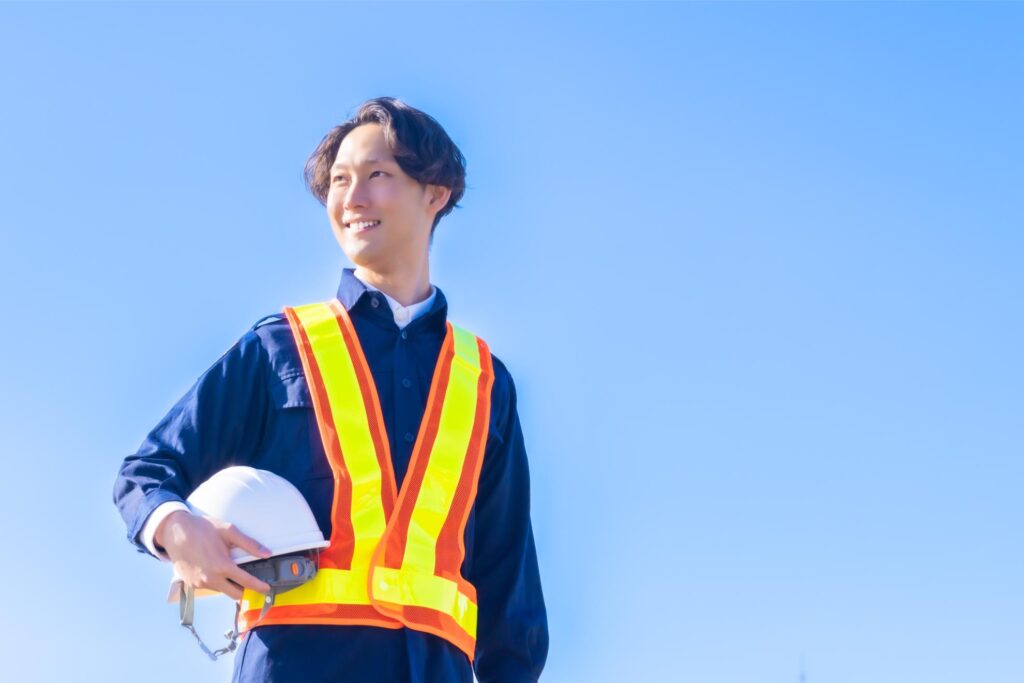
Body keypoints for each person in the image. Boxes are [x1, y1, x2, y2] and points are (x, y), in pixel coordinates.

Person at [112, 96, 549, 683]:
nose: (353, 199)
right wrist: (174, 525)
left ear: (435, 193)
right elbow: (146, 472)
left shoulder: (484, 381)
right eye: (340, 181)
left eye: (377, 176)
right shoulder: (279, 348)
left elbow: (508, 580)